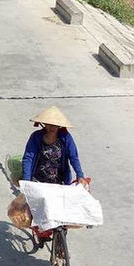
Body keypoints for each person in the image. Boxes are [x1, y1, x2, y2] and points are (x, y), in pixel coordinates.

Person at [21, 105, 91, 250]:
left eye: (55, 125)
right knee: (42, 209)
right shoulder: (36, 138)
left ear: (60, 126)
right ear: (43, 124)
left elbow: (73, 157)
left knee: (62, 213)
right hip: (39, 180)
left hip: (59, 180)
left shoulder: (66, 138)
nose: (52, 127)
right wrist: (27, 182)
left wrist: (80, 175)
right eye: (49, 124)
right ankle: (42, 233)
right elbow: (28, 158)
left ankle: (60, 243)